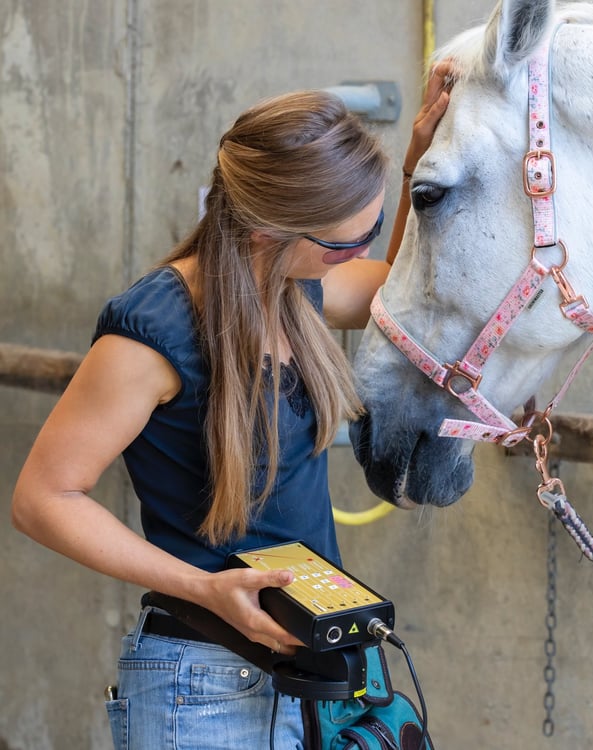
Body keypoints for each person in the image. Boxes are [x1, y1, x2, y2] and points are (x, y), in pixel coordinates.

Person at [11, 62, 453, 749]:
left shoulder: (295, 289)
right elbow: (43, 498)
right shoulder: (153, 333)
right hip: (203, 687)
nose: (356, 255)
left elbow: (390, 292)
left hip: (309, 682)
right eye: (344, 242)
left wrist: (420, 161)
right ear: (267, 231)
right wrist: (205, 588)